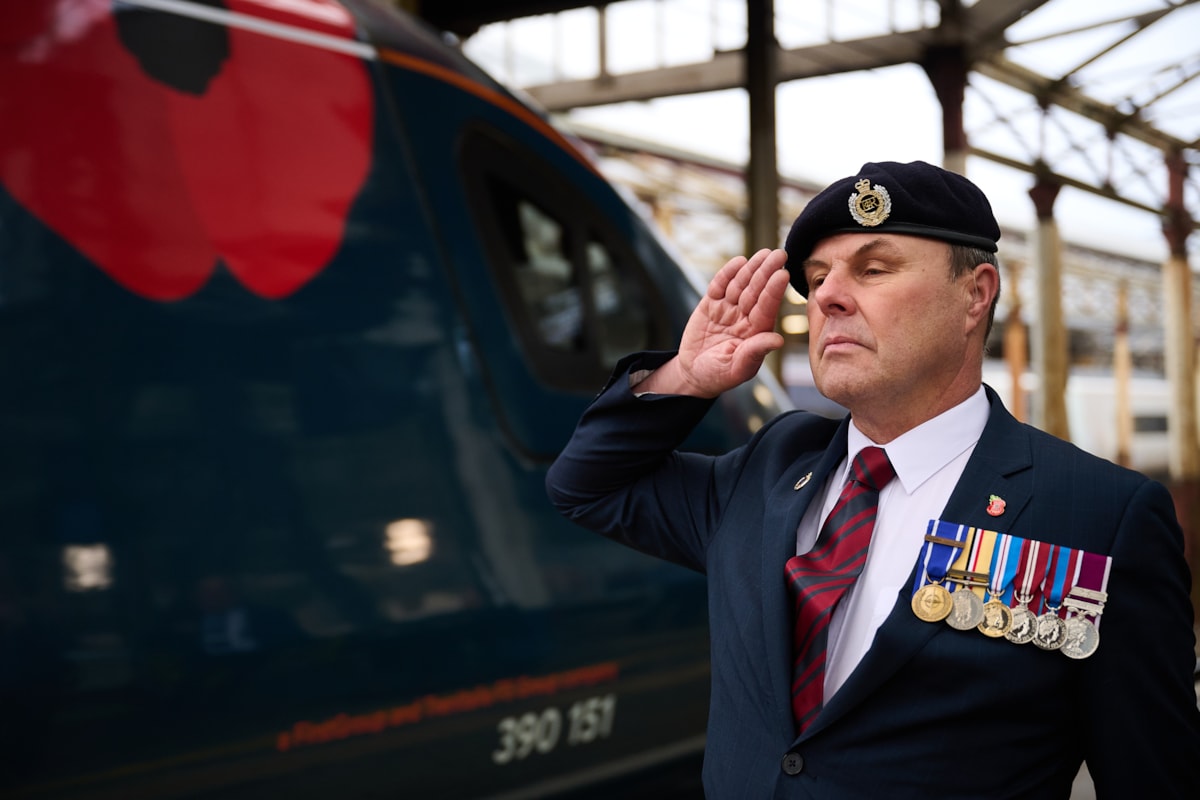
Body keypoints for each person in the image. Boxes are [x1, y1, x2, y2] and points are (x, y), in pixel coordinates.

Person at [545, 160, 1200, 799]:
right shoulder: (770, 469)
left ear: (975, 295)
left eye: (873, 269)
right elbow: (586, 486)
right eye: (818, 275)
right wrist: (684, 380)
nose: (827, 295)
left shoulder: (1098, 515)